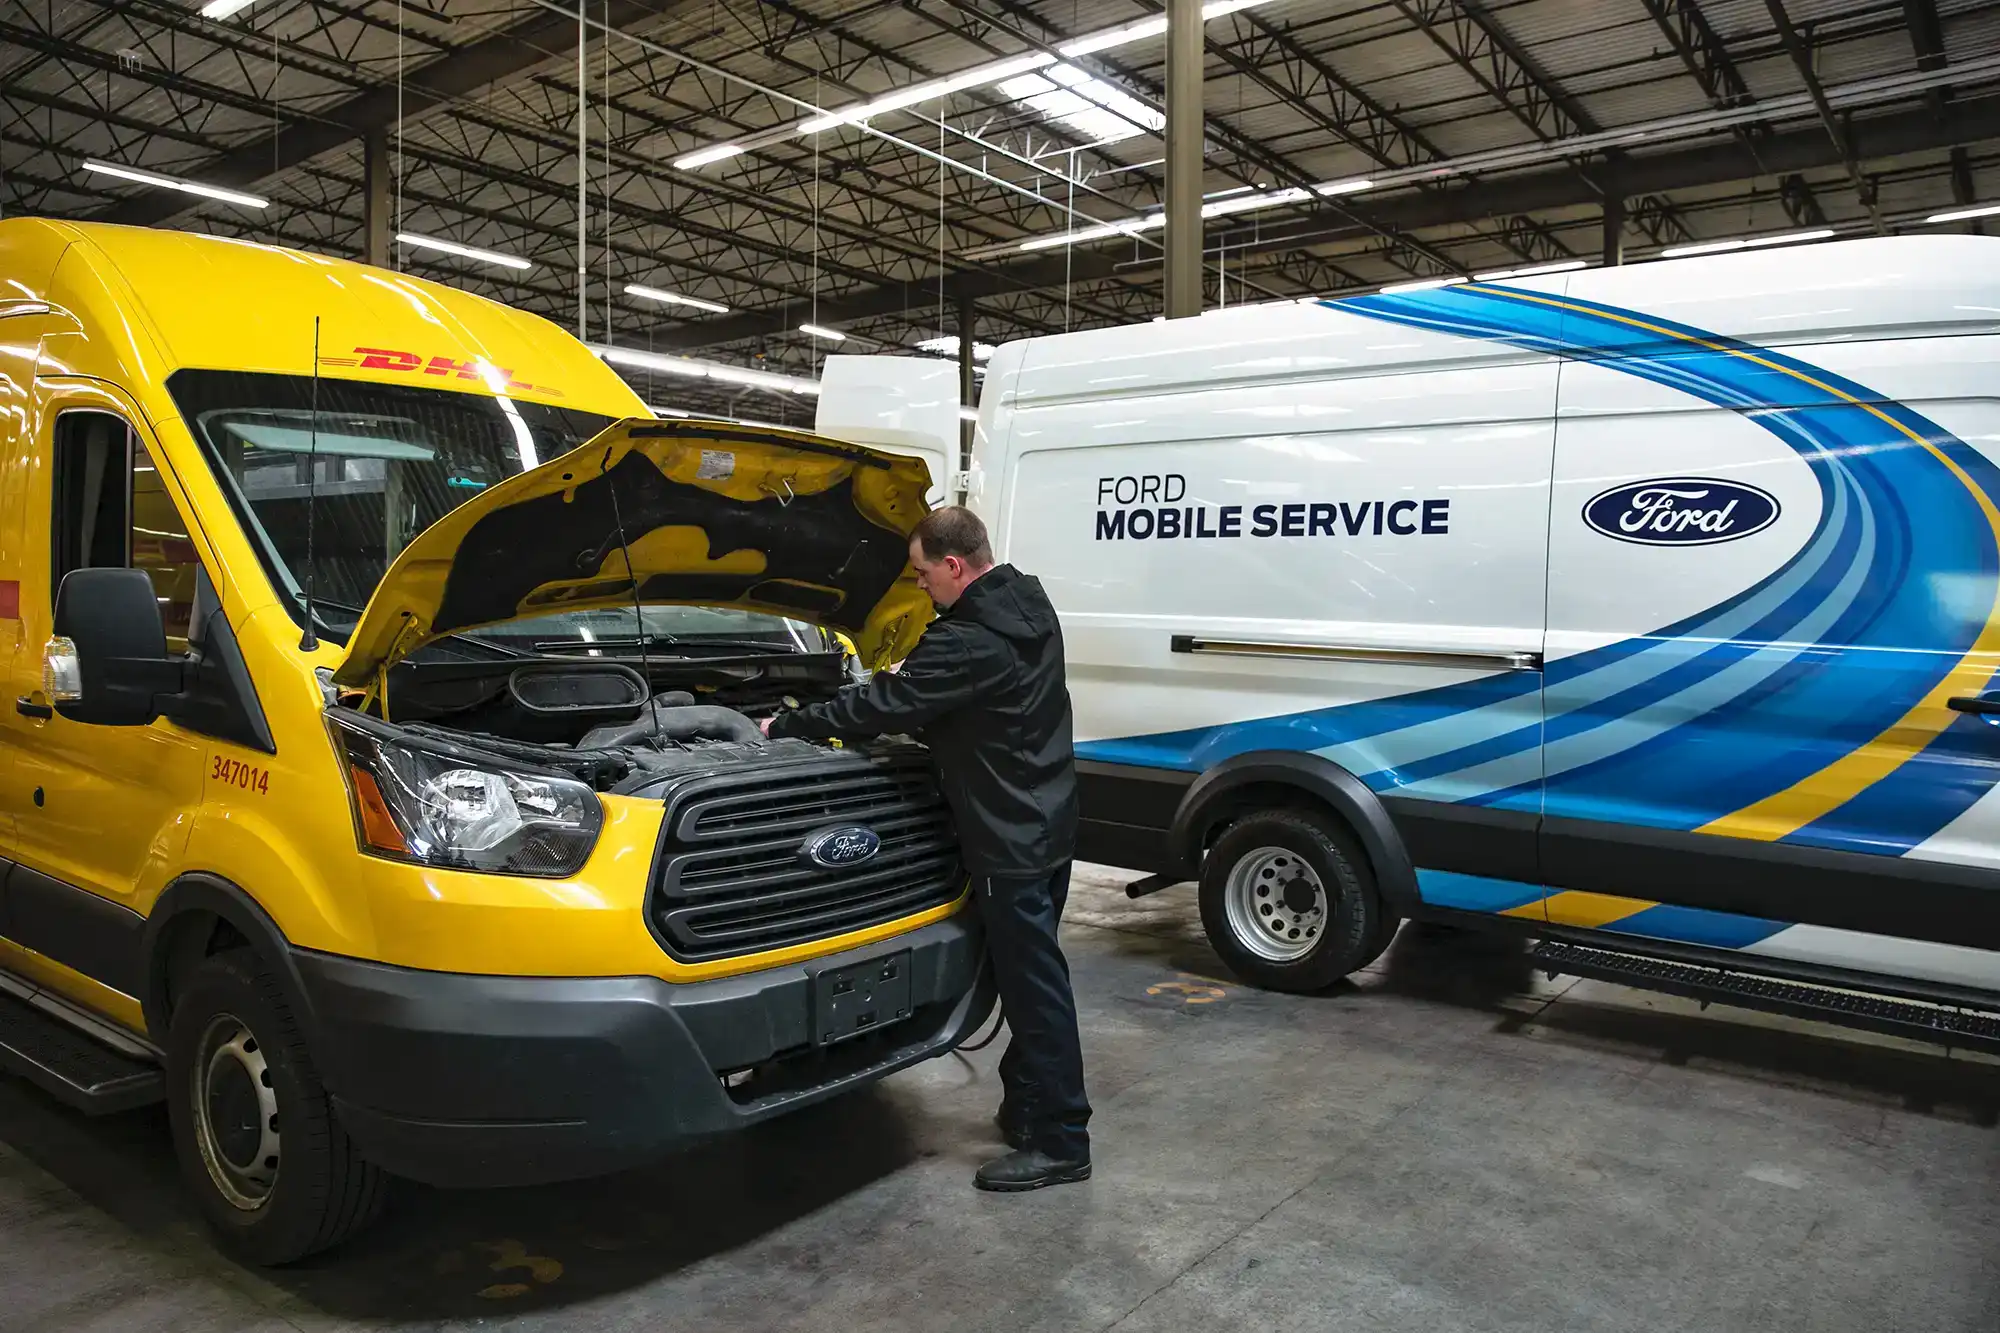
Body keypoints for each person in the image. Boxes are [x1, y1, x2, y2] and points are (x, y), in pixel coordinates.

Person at [762, 506, 1090, 1192]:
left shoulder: (967, 641)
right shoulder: (1031, 603)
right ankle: (1029, 1107)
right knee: (1031, 979)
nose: (919, 589)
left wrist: (787, 722)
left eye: (921, 575)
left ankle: (1062, 1140)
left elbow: (879, 708)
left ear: (954, 566)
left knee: (1035, 992)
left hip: (1007, 839)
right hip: (1050, 820)